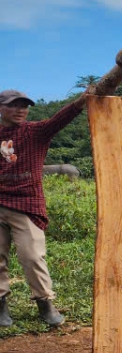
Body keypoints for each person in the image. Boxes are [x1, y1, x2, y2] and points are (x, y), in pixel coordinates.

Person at [0, 89, 86, 328]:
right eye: (14, 105)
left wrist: (81, 101)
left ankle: (45, 304)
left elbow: (60, 119)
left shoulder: (35, 132)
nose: (20, 110)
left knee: (32, 256)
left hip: (25, 204)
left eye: (24, 105)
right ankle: (1, 305)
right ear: (1, 108)